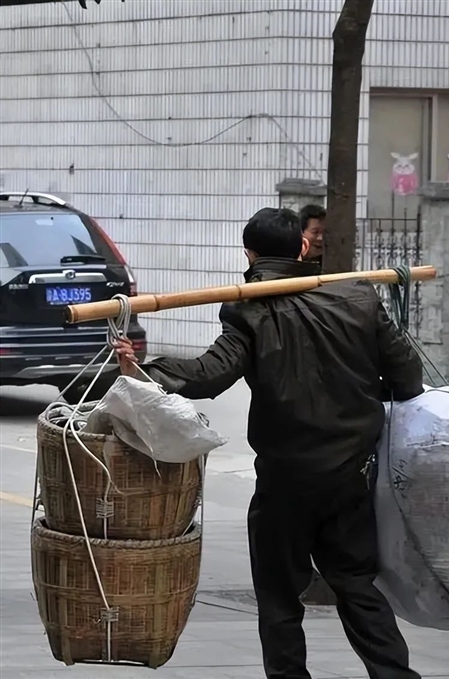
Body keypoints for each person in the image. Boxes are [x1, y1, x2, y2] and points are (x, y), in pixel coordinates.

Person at [115, 207, 423, 679]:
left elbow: (209, 374)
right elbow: (406, 374)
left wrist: (143, 371)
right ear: (302, 246)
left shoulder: (250, 306)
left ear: (250, 254)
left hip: (287, 478)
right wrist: (371, 396)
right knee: (356, 583)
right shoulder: (358, 294)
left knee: (279, 594)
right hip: (351, 474)